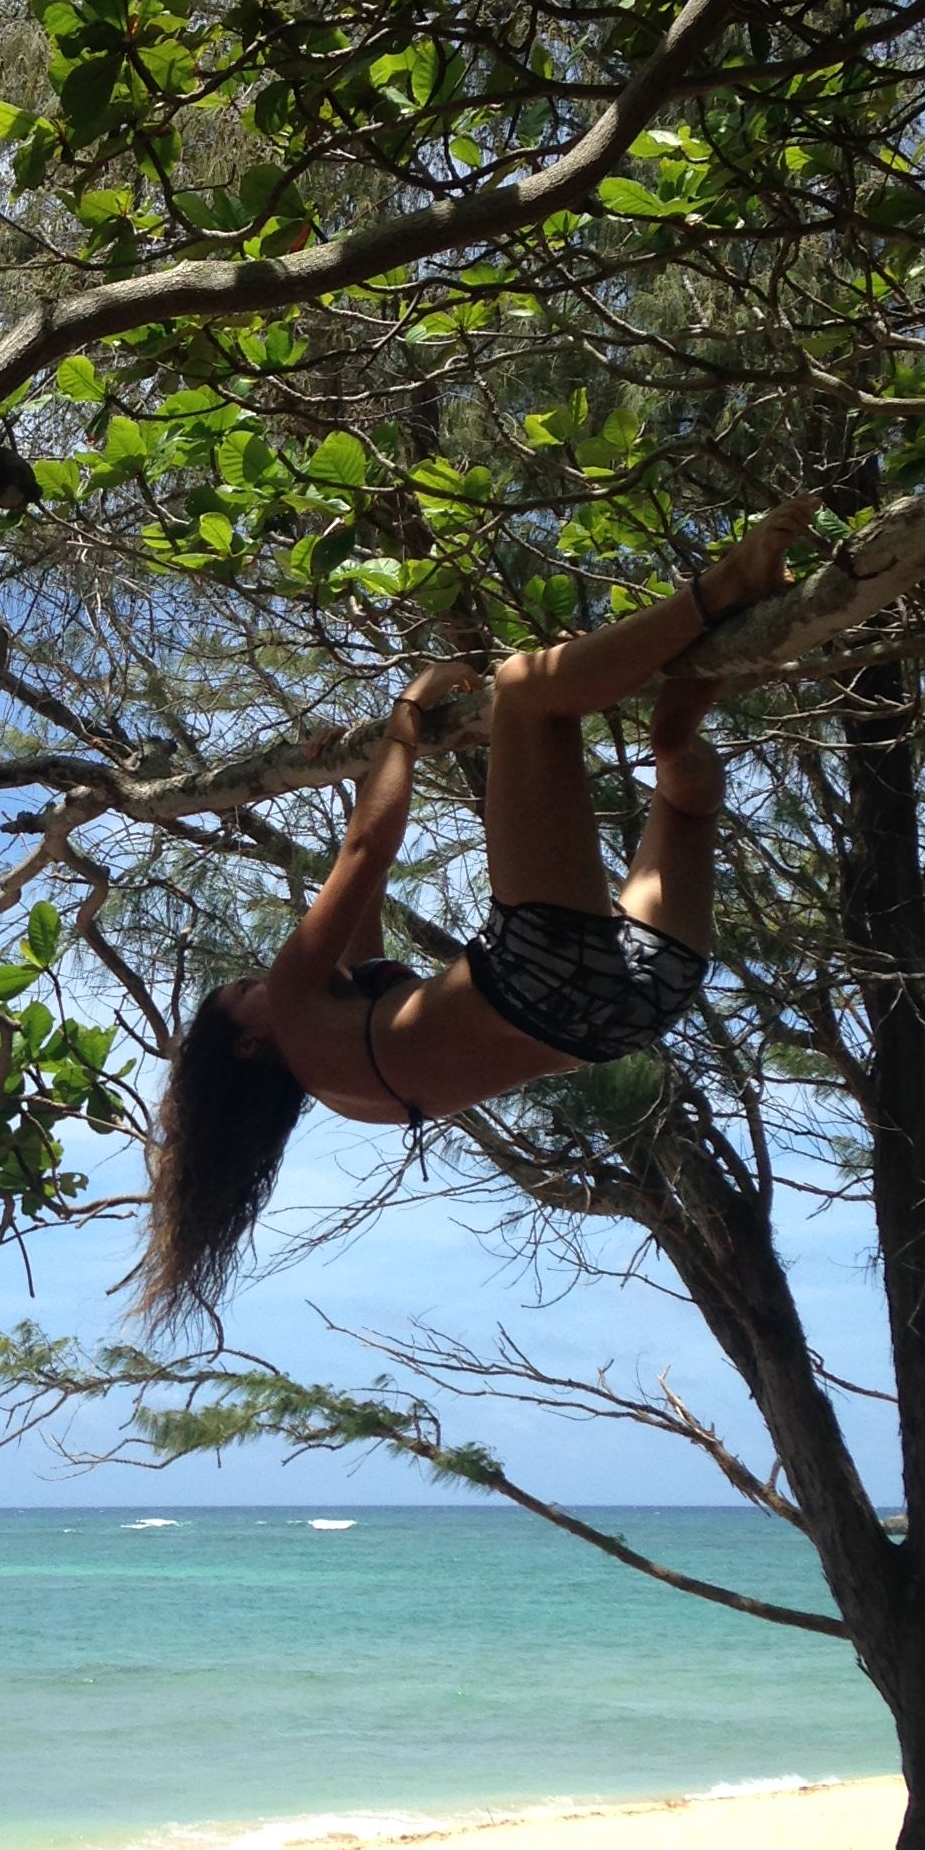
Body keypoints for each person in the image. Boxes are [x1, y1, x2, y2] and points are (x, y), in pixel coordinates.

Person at [134, 497, 815, 1324]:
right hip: (537, 974)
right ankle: (725, 589)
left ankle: (675, 733)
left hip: (626, 1016)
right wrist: (406, 720)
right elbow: (365, 855)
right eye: (234, 993)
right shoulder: (294, 998)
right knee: (527, 693)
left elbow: (365, 902)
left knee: (692, 801)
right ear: (246, 1040)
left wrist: (361, 770)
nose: (248, 978)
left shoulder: (352, 1083)